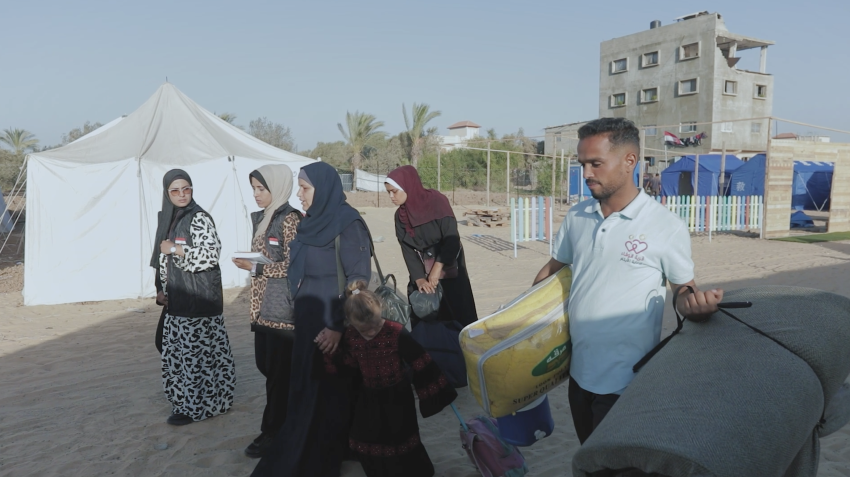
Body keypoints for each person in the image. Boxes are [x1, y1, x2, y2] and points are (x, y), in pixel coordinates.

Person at [532, 118, 721, 444]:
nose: (586, 173)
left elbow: (682, 288)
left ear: (629, 160)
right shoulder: (577, 216)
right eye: (582, 163)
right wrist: (520, 316)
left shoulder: (665, 225)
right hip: (578, 373)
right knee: (588, 458)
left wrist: (693, 305)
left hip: (626, 381)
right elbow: (552, 268)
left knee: (615, 464)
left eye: (596, 163)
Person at [252, 162, 372, 477]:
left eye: (305, 188)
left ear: (324, 189)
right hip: (306, 324)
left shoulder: (348, 223)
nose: (299, 194)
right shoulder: (309, 223)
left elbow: (358, 280)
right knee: (307, 392)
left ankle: (323, 456)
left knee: (328, 395)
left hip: (332, 325)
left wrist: (337, 326)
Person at [325, 280, 457, 477]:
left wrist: (437, 390)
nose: (371, 332)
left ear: (380, 309)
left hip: (397, 397)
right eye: (364, 330)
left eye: (374, 326)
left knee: (401, 437)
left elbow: (420, 360)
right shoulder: (351, 336)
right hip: (369, 397)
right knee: (367, 437)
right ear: (351, 322)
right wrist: (329, 354)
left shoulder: (395, 331)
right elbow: (348, 364)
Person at [151, 169, 235, 426]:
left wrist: (176, 249)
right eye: (175, 190)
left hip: (198, 300)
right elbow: (162, 260)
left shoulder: (198, 218)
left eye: (186, 188)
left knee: (197, 358)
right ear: (167, 193)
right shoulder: (170, 218)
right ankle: (186, 404)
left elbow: (210, 255)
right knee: (178, 355)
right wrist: (161, 289)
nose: (181, 194)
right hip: (178, 300)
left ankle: (196, 408)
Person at [232, 165, 302, 458]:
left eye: (262, 188)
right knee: (267, 366)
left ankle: (273, 431)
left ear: (278, 187)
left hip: (282, 311)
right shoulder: (264, 218)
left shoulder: (290, 218)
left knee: (277, 374)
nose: (256, 194)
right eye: (254, 189)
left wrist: (256, 267)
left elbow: (295, 263)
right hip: (262, 307)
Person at [384, 165, 478, 327]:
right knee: (425, 317)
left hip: (449, 268)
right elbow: (407, 249)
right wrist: (419, 279)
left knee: (457, 316)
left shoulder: (437, 202)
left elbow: (452, 239)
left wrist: (437, 268)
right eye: (388, 193)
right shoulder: (400, 217)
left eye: (394, 191)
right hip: (421, 270)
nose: (391, 197)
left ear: (408, 186)